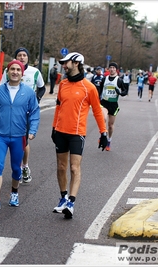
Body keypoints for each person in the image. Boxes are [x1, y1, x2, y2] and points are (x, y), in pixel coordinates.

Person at [51, 52, 108, 219]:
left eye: (66, 62)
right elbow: (58, 107)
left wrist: (103, 133)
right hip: (60, 131)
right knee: (61, 167)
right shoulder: (62, 84)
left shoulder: (89, 87)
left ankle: (71, 202)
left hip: (77, 133)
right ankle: (63, 198)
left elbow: (97, 111)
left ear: (76, 63)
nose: (63, 65)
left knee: (74, 167)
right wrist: (54, 128)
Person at [0, 60, 40, 210]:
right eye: (12, 69)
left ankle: (14, 193)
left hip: (19, 137)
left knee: (16, 168)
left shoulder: (28, 92)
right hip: (0, 135)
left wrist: (32, 131)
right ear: (7, 72)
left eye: (18, 70)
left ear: (22, 73)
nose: (15, 72)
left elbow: (34, 112)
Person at [0, 47, 46, 183]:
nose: (22, 57)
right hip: (11, 112)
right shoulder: (8, 71)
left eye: (24, 55)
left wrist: (36, 99)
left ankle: (23, 166)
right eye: (19, 55)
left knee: (23, 141)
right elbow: (2, 88)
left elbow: (42, 87)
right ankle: (19, 167)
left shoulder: (35, 72)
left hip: (27, 112)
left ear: (28, 58)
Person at [98, 62, 128, 151]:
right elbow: (99, 90)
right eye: (110, 67)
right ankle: (103, 136)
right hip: (104, 102)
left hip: (113, 104)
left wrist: (120, 93)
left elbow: (125, 91)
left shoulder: (119, 80)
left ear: (116, 69)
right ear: (108, 69)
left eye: (113, 68)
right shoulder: (104, 79)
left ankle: (109, 140)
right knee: (103, 119)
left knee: (110, 125)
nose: (111, 69)